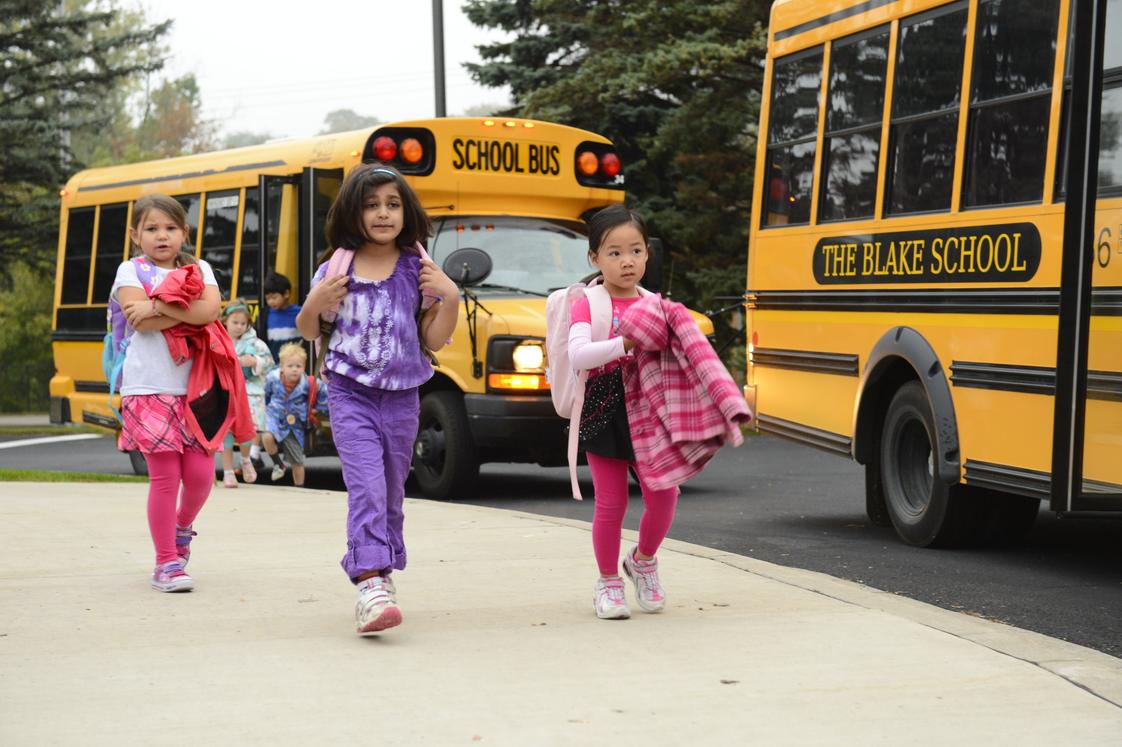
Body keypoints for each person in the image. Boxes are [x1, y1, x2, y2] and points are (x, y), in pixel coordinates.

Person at [296, 163, 458, 634]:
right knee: (365, 484)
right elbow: (310, 330)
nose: (383, 214)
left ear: (407, 212)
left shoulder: (418, 269)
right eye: (371, 205)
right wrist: (314, 300)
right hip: (350, 394)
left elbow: (433, 336)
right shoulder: (336, 269)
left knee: (389, 490)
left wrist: (450, 297)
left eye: (392, 204)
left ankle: (381, 573)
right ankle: (368, 581)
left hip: (403, 396)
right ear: (353, 212)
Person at [567, 205, 679, 620]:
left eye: (635, 250)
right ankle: (608, 582)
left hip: (651, 408)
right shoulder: (588, 303)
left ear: (647, 254)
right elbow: (578, 354)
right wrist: (625, 343)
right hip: (605, 405)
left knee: (665, 495)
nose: (627, 261)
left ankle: (643, 561)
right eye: (614, 253)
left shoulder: (658, 304)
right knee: (610, 503)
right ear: (594, 258)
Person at [110, 194, 221, 593]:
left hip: (197, 387)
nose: (162, 236)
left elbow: (210, 312)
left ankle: (181, 528)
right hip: (148, 387)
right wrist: (184, 309)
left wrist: (160, 309)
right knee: (165, 477)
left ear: (184, 232)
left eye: (171, 228)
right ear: (135, 234)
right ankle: (166, 564)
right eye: (152, 228)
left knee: (201, 475)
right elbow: (137, 321)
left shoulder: (199, 267)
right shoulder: (130, 270)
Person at [219, 300, 274, 487]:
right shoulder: (219, 341)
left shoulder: (256, 344)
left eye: (243, 323)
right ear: (225, 321)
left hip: (249, 393)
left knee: (247, 432)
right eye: (235, 322)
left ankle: (245, 459)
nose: (239, 327)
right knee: (226, 432)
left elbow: (269, 363)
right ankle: (227, 472)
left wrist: (255, 361)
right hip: (225, 393)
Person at [261, 343, 321, 488]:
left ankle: (299, 487)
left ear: (304, 367)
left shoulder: (308, 383)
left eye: (298, 366)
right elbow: (265, 395)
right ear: (281, 366)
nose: (294, 369)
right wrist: (266, 410)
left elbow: (324, 396)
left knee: (297, 461)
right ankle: (278, 464)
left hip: (294, 425)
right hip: (275, 417)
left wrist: (316, 409)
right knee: (267, 436)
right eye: (290, 366)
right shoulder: (272, 378)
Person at [263, 272, 302, 361]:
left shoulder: (299, 312)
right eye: (268, 298)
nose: (270, 302)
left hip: (293, 365)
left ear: (286, 294)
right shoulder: (265, 315)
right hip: (273, 366)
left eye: (274, 297)